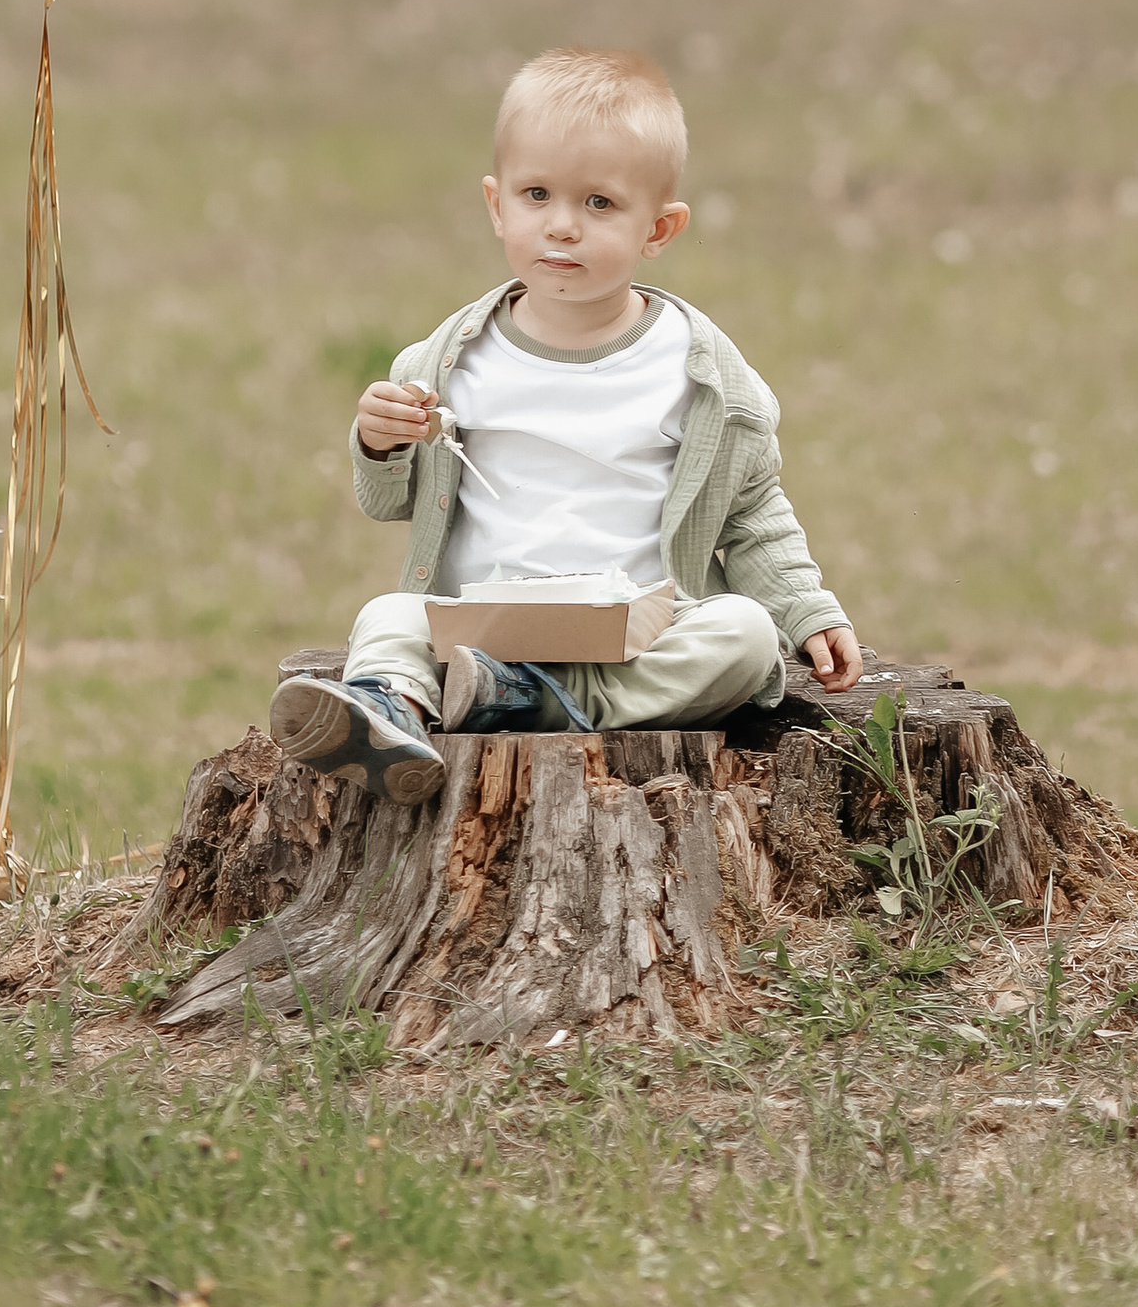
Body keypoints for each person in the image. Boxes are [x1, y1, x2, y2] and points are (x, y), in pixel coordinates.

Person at [269, 46, 862, 800]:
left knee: (745, 636)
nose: (562, 226)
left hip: (636, 634)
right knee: (387, 616)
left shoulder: (699, 373)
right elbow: (389, 501)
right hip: (483, 626)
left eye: (600, 204)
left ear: (659, 228)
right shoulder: (446, 362)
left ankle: (542, 700)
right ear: (497, 206)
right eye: (536, 194)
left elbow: (751, 513)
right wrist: (378, 443)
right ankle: (391, 711)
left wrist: (805, 609)